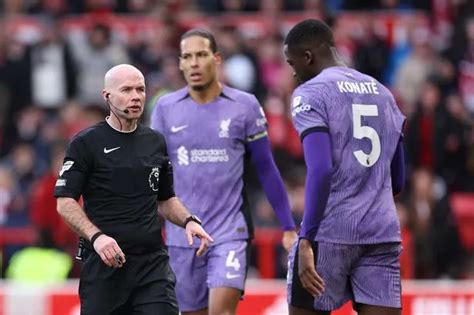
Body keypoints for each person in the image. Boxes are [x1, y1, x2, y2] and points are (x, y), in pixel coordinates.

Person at [150, 29, 297, 315]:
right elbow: (152, 172)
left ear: (217, 59)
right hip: (182, 236)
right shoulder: (165, 108)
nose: (194, 63)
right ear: (180, 64)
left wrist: (289, 227)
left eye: (201, 55)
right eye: (187, 57)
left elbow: (266, 168)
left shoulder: (245, 106)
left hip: (229, 231)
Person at [54, 64, 213, 315]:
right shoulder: (86, 143)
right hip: (104, 266)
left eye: (140, 89)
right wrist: (97, 238)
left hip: (151, 267)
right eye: (126, 90)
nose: (136, 96)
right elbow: (64, 202)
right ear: (107, 96)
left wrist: (189, 220)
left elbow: (165, 199)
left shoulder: (155, 142)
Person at [284, 20, 406, 315]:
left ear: (308, 57)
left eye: (292, 63)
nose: (293, 72)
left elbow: (321, 169)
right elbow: (399, 178)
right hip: (381, 232)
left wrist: (306, 239)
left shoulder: (310, 93)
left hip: (330, 233)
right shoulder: (383, 92)